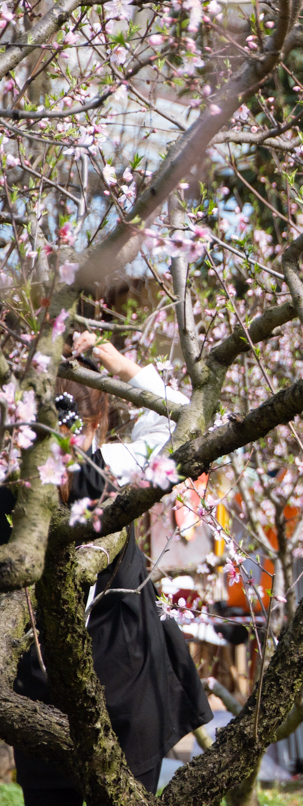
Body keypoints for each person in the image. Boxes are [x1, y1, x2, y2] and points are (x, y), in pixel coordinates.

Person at [6, 332, 214, 804]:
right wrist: (123, 368)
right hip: (129, 688)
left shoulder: (9, 484)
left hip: (39, 693)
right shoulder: (119, 469)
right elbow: (187, 422)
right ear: (98, 418)